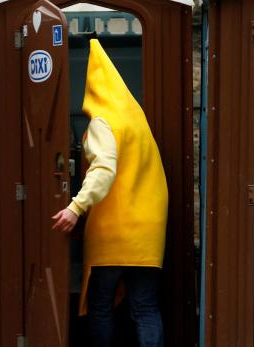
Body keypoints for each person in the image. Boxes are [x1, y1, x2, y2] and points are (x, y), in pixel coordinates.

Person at [52, 39, 168, 347]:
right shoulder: (137, 120)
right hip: (147, 235)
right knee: (145, 307)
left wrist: (76, 208)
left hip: (113, 233)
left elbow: (104, 169)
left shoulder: (103, 123)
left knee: (101, 307)